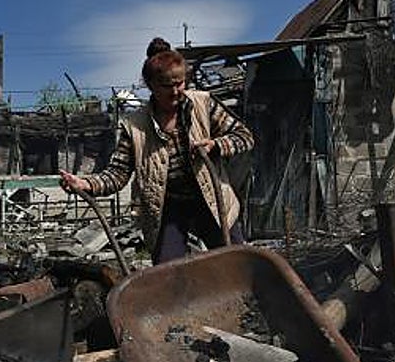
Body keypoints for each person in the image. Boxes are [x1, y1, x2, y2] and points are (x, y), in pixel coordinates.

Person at [59, 37, 255, 264]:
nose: (176, 91)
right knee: (166, 273)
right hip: (166, 207)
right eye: (167, 86)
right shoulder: (135, 125)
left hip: (211, 199)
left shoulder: (203, 104)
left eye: (180, 83)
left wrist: (217, 145)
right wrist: (85, 184)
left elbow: (245, 137)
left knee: (237, 263)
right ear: (150, 85)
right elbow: (118, 174)